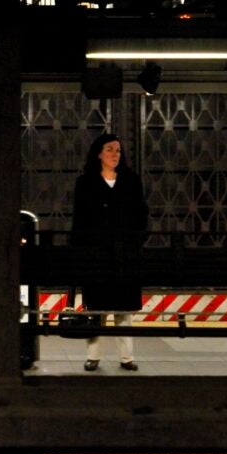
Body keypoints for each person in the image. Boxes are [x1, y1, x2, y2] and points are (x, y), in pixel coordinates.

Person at [70, 133, 149, 373]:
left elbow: (141, 215)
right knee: (96, 307)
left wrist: (136, 241)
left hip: (125, 252)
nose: (115, 154)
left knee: (123, 308)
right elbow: (80, 219)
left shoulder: (131, 181)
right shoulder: (86, 182)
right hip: (96, 253)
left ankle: (126, 357)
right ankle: (93, 356)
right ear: (99, 153)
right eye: (110, 149)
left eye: (118, 150)